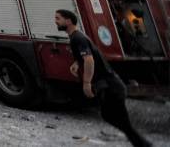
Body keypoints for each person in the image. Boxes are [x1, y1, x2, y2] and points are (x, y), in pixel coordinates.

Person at [55, 9, 152, 146]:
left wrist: (86, 83)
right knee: (111, 117)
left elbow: (89, 60)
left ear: (68, 21)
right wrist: (77, 63)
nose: (55, 21)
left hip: (111, 85)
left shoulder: (77, 38)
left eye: (58, 18)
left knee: (119, 121)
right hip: (110, 85)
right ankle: (140, 143)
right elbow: (88, 56)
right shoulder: (76, 37)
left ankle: (143, 144)